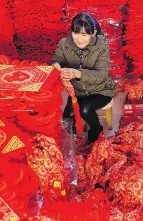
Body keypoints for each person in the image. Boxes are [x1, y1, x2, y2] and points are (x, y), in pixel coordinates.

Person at [50, 12, 117, 143]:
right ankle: (74, 139)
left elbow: (101, 76)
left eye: (84, 34)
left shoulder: (102, 48)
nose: (79, 39)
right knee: (68, 118)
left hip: (100, 90)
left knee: (85, 109)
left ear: (93, 33)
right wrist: (56, 65)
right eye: (75, 33)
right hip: (77, 91)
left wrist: (77, 73)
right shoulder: (64, 44)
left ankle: (96, 129)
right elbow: (57, 59)